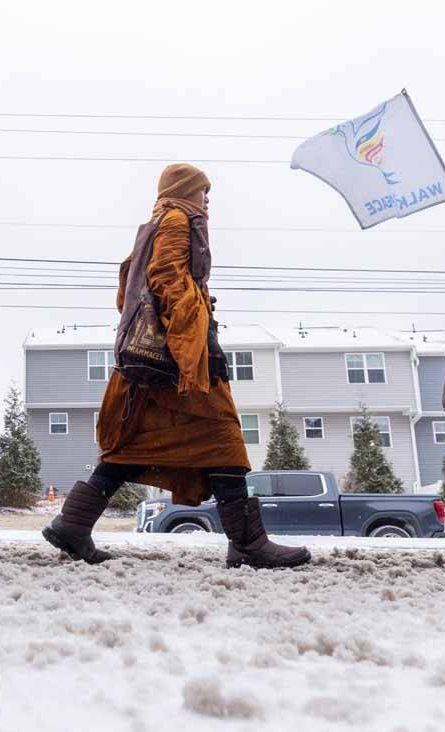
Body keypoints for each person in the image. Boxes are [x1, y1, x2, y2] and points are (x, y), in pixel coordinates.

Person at [42, 164, 310, 569]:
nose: (208, 200)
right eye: (204, 191)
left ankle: (73, 525)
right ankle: (248, 543)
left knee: (134, 446)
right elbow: (165, 277)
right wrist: (192, 329)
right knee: (225, 439)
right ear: (186, 190)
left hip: (161, 362)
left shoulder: (160, 221)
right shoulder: (177, 219)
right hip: (180, 354)